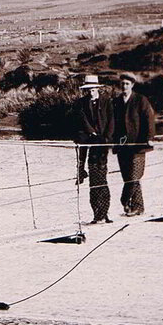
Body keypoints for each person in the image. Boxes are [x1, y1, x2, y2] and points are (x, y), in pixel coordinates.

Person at [111, 72, 156, 217]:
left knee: (135, 176)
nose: (124, 86)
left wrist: (149, 137)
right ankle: (137, 207)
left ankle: (125, 200)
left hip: (138, 145)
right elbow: (112, 123)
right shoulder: (116, 102)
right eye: (122, 84)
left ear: (132, 85)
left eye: (127, 84)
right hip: (122, 146)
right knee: (127, 177)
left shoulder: (140, 100)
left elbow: (149, 118)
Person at [74, 74, 114, 224]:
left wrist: (107, 138)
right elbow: (83, 121)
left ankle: (103, 213)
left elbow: (111, 121)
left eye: (93, 89)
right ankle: (98, 213)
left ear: (98, 88)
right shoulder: (82, 103)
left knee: (101, 176)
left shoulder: (107, 102)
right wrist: (91, 133)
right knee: (95, 178)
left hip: (102, 142)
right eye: (88, 90)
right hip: (89, 140)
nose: (90, 92)